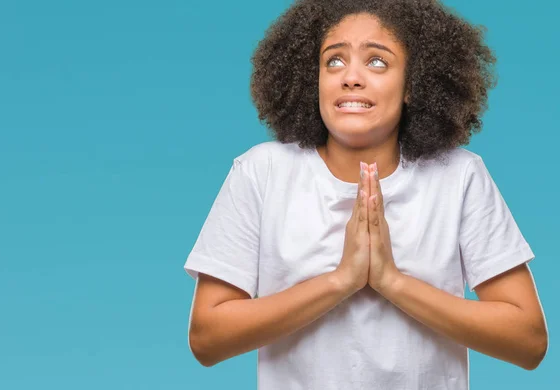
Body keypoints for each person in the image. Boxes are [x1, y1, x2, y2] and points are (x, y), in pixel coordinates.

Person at [183, 0, 548, 388]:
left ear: (413, 86)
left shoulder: (458, 176)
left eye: (377, 62)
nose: (350, 77)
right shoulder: (262, 172)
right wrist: (341, 280)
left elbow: (527, 341)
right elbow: (207, 338)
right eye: (334, 61)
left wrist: (392, 281)